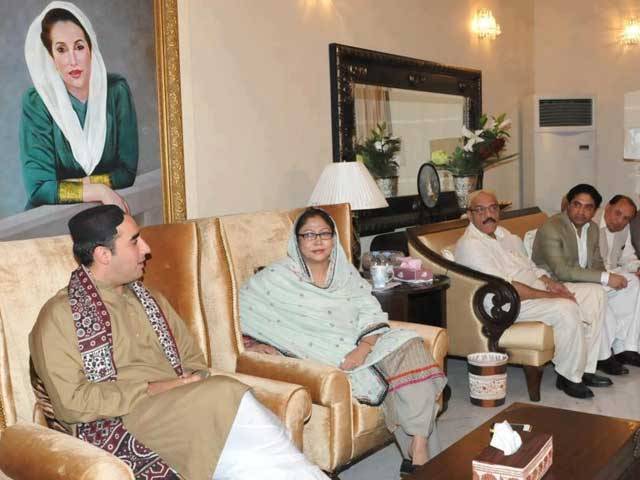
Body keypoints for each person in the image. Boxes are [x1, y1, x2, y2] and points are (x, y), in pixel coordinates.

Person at [29, 205, 328, 480]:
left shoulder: (151, 300)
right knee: (227, 397)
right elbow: (71, 403)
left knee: (253, 451)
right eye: (134, 241)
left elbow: (193, 361)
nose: (146, 249)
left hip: (183, 404)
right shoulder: (59, 316)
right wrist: (153, 389)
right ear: (103, 254)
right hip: (123, 419)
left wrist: (186, 383)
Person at [239, 207, 447, 473]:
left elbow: (370, 309)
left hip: (361, 343)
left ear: (334, 238)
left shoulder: (345, 272)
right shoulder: (276, 277)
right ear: (296, 240)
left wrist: (364, 347)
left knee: (410, 343)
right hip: (321, 355)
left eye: (324, 234)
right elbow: (239, 310)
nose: (317, 241)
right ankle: (420, 459)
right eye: (309, 234)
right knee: (399, 364)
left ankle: (418, 446)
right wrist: (253, 344)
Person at [455, 190, 609, 399]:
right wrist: (550, 296)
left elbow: (530, 266)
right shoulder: (471, 245)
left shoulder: (504, 234)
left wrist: (551, 284)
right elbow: (506, 287)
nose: (488, 214)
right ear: (469, 214)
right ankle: (570, 377)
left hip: (534, 290)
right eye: (480, 210)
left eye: (493, 208)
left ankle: (586, 369)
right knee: (565, 307)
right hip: (508, 303)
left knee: (595, 292)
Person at [20, 2, 137, 212]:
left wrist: (71, 186)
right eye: (61, 50)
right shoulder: (37, 102)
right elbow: (38, 189)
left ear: (91, 48)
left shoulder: (116, 91)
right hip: (50, 219)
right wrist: (98, 190)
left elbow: (127, 173)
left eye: (79, 47)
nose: (72, 60)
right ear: (51, 57)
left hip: (102, 216)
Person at [532, 184, 636, 377]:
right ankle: (597, 361)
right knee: (597, 293)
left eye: (588, 207)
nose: (581, 211)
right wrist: (606, 278)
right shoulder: (552, 227)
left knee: (630, 283)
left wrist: (607, 278)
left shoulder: (592, 228)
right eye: (577, 205)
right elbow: (562, 271)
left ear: (595, 210)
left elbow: (596, 263)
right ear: (568, 204)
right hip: (554, 283)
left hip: (581, 281)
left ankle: (624, 347)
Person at [592, 195, 640, 367]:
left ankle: (626, 348)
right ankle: (603, 354)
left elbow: (627, 257)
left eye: (626, 218)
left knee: (635, 283)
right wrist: (607, 276)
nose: (620, 221)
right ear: (607, 207)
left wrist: (637, 267)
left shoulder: (624, 228)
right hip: (593, 276)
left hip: (613, 272)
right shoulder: (590, 223)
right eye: (617, 213)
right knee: (601, 294)